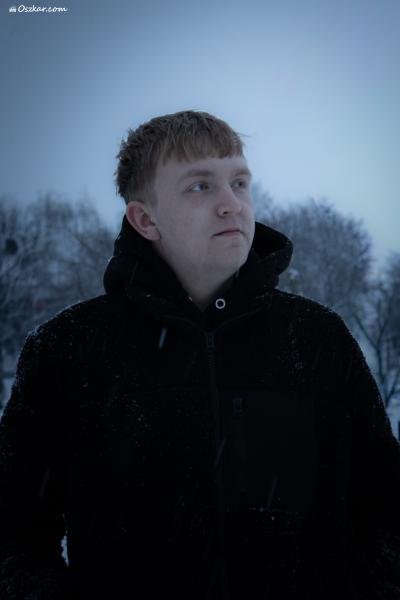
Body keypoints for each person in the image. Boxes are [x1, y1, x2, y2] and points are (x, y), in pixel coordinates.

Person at [0, 110, 399, 600]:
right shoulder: (68, 350)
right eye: (200, 186)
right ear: (145, 220)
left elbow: (386, 512)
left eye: (240, 183)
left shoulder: (318, 339)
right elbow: (13, 538)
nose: (232, 205)